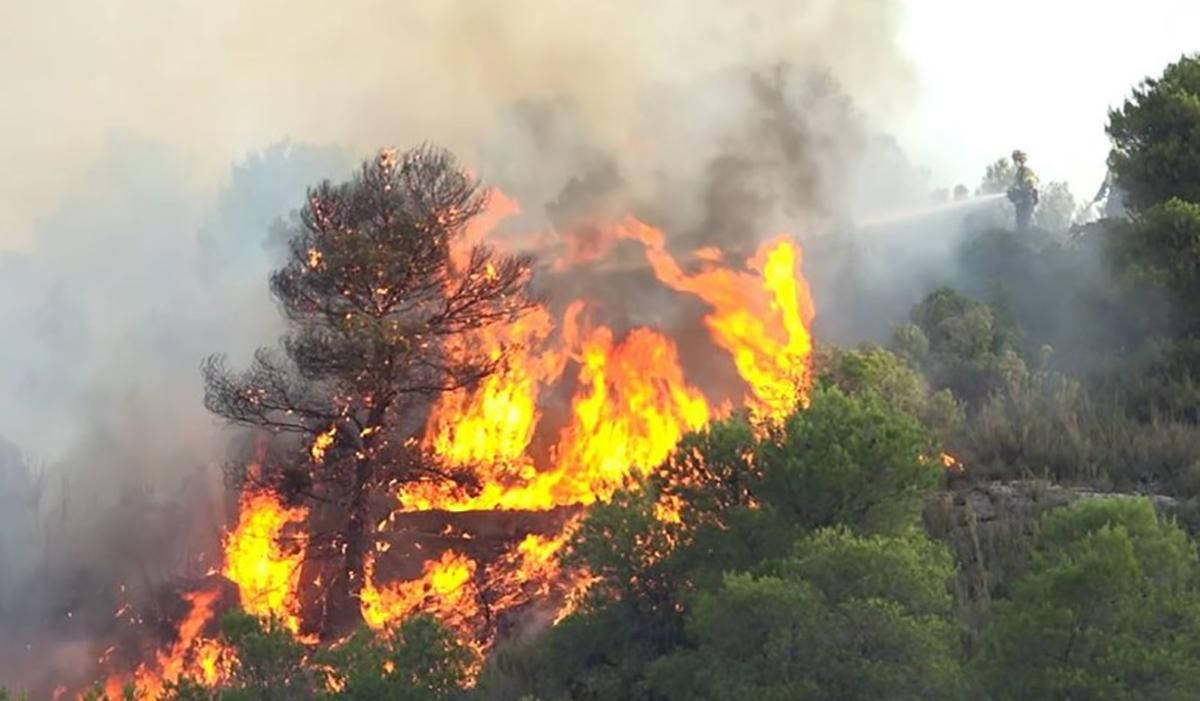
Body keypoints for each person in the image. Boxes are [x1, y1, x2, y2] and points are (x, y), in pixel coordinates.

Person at [1007, 149, 1039, 232]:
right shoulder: (1018, 173)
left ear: (1021, 160)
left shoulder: (1027, 171)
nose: (1015, 163)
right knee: (1019, 225)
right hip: (1020, 203)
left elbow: (1030, 185)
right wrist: (1011, 192)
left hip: (1027, 202)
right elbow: (1015, 186)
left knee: (1025, 225)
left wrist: (1019, 191)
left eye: (1016, 160)